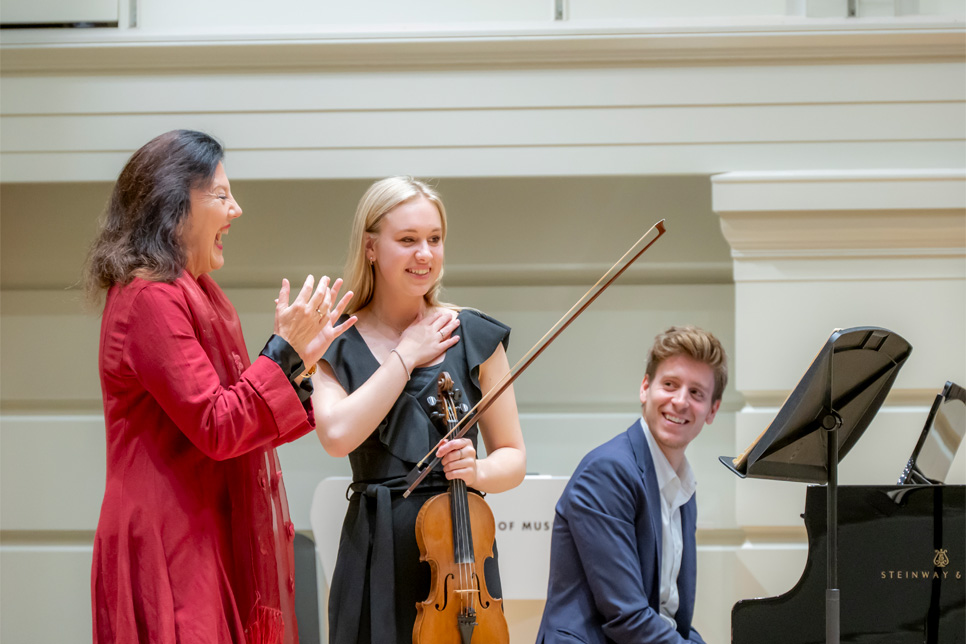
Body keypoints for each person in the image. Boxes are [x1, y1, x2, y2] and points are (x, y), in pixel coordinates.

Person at [85, 129, 356, 644]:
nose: (236, 209)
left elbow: (237, 416)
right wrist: (283, 353)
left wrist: (298, 362)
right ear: (173, 203)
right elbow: (218, 424)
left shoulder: (200, 295)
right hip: (168, 536)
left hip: (198, 526)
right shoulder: (149, 298)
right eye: (220, 194)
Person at [310, 176, 527, 643]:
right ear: (371, 247)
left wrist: (477, 471)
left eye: (434, 239)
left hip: (462, 560)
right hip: (375, 551)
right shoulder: (336, 343)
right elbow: (335, 436)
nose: (424, 254)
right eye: (407, 240)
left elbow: (512, 457)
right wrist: (406, 355)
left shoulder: (472, 334)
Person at [536, 325, 727, 644]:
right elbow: (628, 617)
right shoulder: (608, 472)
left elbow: (670, 617)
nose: (680, 402)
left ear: (712, 410)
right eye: (670, 384)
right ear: (645, 388)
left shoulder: (683, 488)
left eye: (696, 393)